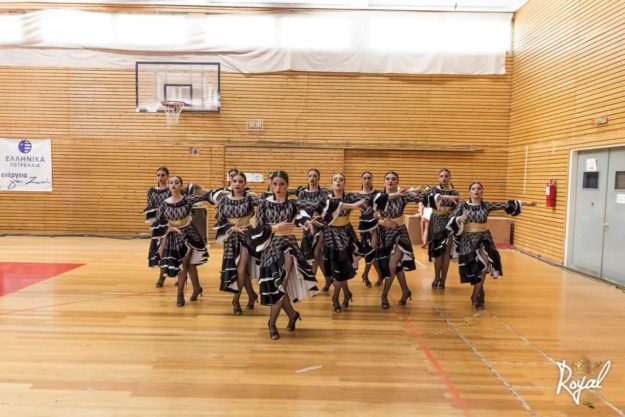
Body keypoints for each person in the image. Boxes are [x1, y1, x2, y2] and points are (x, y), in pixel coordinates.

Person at [252, 170, 322, 340]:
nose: (278, 187)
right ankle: (292, 314)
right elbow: (258, 230)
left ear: (287, 186)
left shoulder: (293, 204)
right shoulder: (263, 204)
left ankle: (271, 323)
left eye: (282, 184)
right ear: (270, 185)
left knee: (280, 285)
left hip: (288, 247)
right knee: (276, 286)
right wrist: (277, 227)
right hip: (270, 247)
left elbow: (302, 215)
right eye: (275, 184)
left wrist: (307, 222)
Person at [447, 182, 535, 309]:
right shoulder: (462, 205)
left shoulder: (486, 206)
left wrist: (525, 203)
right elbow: (451, 218)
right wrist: (458, 219)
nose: (476, 191)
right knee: (475, 269)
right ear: (469, 192)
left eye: (479, 189)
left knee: (484, 265)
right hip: (468, 240)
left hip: (484, 238)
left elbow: (504, 204)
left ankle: (475, 295)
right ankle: (480, 292)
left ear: (482, 192)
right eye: (473, 189)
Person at [151, 176, 219, 307]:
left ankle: (180, 294)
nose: (173, 185)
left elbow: (205, 197)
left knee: (184, 263)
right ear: (168, 186)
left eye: (176, 183)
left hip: (189, 234)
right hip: (173, 236)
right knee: (190, 265)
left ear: (181, 185)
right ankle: (197, 288)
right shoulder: (164, 203)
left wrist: (218, 194)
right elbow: (158, 223)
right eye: (171, 183)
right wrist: (168, 231)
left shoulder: (187, 199)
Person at [214, 172, 259, 315]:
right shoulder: (224, 200)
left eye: (240, 181)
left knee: (241, 268)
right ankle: (252, 295)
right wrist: (232, 228)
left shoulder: (250, 199)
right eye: (235, 181)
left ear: (245, 184)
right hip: (231, 236)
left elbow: (263, 207)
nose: (237, 184)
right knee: (241, 270)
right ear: (231, 183)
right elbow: (220, 220)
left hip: (246, 235)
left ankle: (236, 300)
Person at [323, 173, 366, 312]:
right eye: (335, 179)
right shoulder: (326, 198)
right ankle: (346, 294)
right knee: (339, 268)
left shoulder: (349, 196)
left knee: (341, 267)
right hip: (331, 235)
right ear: (331, 183)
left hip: (347, 234)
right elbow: (330, 208)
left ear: (344, 183)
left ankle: (335, 298)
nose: (338, 182)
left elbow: (367, 199)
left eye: (341, 179)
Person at [422, 169, 459, 289]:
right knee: (438, 251)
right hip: (436, 221)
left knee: (447, 252)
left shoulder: (454, 192)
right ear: (438, 178)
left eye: (446, 176)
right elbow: (426, 198)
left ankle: (443, 279)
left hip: (449, 222)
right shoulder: (433, 189)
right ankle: (437, 277)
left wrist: (453, 215)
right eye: (441, 176)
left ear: (450, 177)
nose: (444, 178)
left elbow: (457, 209)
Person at [297, 168, 332, 291]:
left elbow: (329, 208)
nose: (312, 178)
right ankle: (328, 278)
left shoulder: (324, 192)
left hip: (322, 226)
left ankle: (312, 283)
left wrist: (321, 216)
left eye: (315, 176)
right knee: (314, 255)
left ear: (319, 178)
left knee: (317, 253)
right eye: (310, 176)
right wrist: (307, 220)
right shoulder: (302, 193)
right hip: (309, 226)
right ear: (307, 178)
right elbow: (299, 210)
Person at [143, 167, 171, 288]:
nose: (160, 177)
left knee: (168, 250)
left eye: (163, 175)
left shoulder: (170, 190)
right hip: (157, 224)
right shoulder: (151, 191)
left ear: (167, 176)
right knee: (159, 250)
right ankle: (162, 275)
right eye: (158, 175)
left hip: (169, 223)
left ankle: (169, 275)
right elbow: (150, 207)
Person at [357, 171, 382, 288]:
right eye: (365, 178)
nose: (367, 180)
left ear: (372, 180)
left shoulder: (377, 194)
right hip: (363, 226)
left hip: (375, 225)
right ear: (362, 180)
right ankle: (379, 276)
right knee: (370, 252)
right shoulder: (357, 195)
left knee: (373, 249)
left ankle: (366, 274)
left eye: (369, 178)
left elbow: (388, 199)